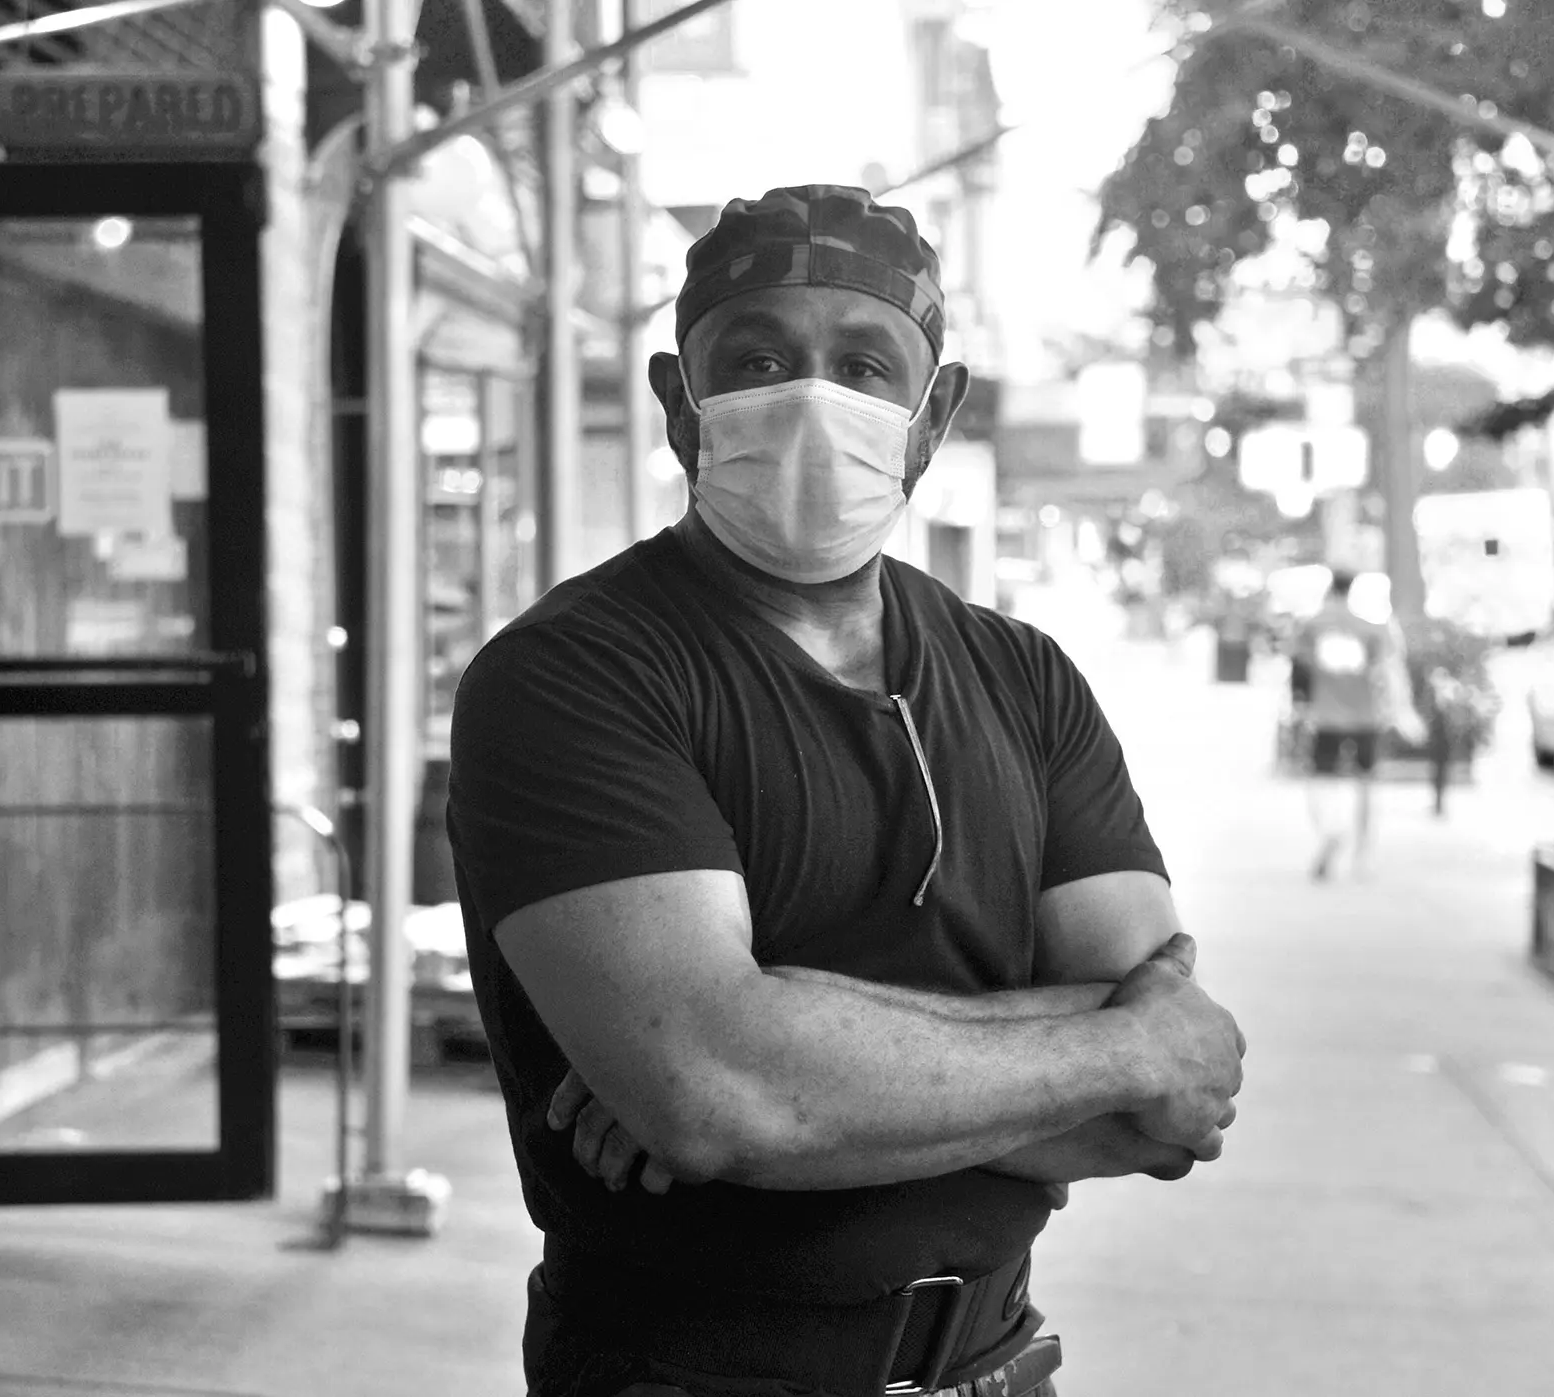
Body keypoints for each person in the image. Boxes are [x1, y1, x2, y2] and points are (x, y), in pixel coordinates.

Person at [448, 186, 1246, 1397]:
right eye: (757, 358)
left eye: (866, 365)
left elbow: (1167, 1106)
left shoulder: (1024, 679)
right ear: (678, 399)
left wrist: (786, 1055)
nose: (813, 398)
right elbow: (718, 1091)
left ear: (935, 414)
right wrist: (1111, 1040)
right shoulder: (575, 674)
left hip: (997, 1362)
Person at [1289, 570, 1423, 880]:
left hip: (1325, 715)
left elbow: (1299, 670)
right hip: (1366, 717)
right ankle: (1362, 856)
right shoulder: (1374, 625)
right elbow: (1391, 671)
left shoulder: (1313, 624)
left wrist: (1300, 707)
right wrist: (1403, 712)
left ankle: (1331, 829)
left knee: (1321, 777)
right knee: (1367, 784)